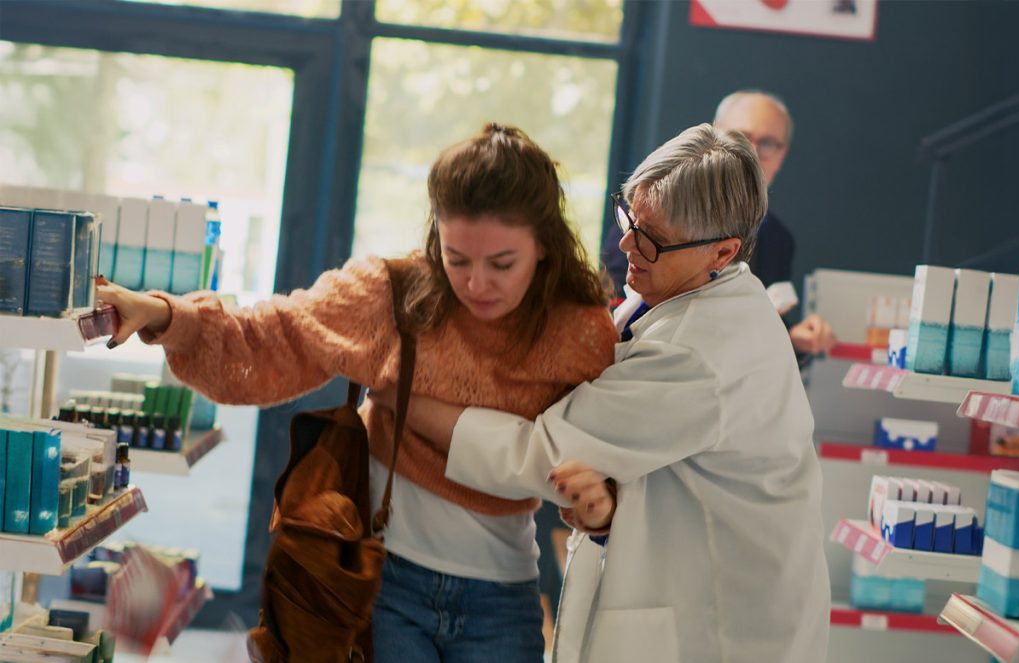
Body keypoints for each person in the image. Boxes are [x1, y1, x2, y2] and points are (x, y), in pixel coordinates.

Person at [97, 123, 620, 663]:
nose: (476, 284)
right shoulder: (392, 293)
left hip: (503, 592)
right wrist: (165, 314)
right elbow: (270, 337)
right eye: (456, 257)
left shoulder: (580, 330)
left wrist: (599, 505)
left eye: (502, 264)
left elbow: (608, 462)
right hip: (381, 582)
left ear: (544, 244)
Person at [379, 123, 832, 663]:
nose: (625, 246)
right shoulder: (676, 295)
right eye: (629, 219)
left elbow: (543, 452)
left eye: (651, 240)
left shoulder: (700, 353)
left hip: (723, 628)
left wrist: (401, 397)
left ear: (723, 250)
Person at [601, 90, 836, 355]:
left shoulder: (778, 240)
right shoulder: (645, 211)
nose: (753, 154)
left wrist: (791, 339)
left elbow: (762, 329)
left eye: (768, 143)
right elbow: (612, 298)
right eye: (741, 138)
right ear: (712, 138)